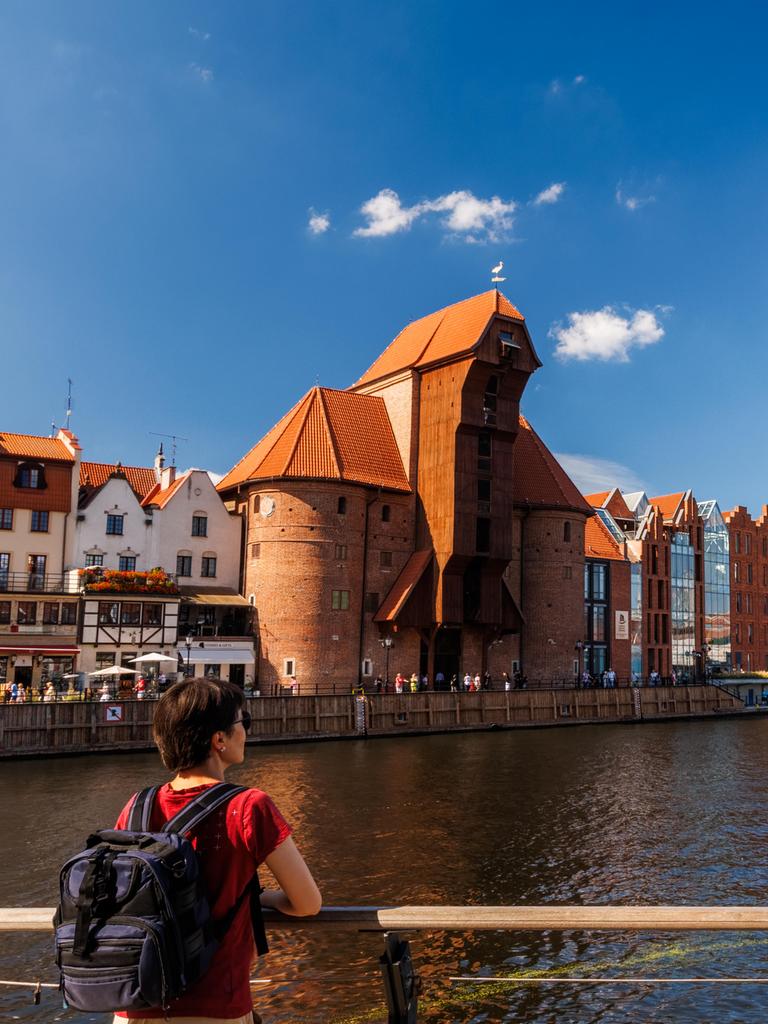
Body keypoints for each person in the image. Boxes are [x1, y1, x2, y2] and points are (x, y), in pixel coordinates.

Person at [113, 677, 321, 1024]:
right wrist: (261, 897)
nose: (247, 732)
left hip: (136, 1005)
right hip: (214, 1007)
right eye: (244, 722)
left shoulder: (137, 806)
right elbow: (308, 903)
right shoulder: (249, 806)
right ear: (219, 740)